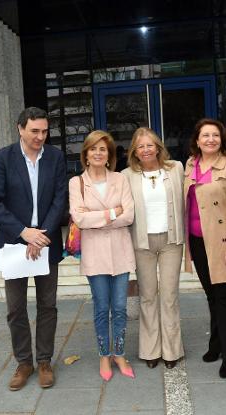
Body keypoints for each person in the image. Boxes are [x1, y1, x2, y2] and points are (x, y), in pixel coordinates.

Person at [0, 107, 67, 391]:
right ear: (20, 128)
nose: (40, 137)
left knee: (48, 306)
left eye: (44, 131)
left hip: (45, 242)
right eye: (34, 131)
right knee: (15, 309)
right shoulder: (3, 158)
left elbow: (60, 198)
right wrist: (24, 232)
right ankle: (24, 363)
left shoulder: (54, 157)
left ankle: (44, 362)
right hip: (13, 244)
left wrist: (40, 235)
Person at [69, 130, 136, 381]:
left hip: (120, 251)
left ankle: (119, 353)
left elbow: (129, 215)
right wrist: (111, 214)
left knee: (119, 307)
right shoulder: (77, 183)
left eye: (103, 149)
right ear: (85, 154)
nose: (98, 153)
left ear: (109, 155)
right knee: (101, 308)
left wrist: (96, 216)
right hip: (95, 255)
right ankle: (103, 355)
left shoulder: (120, 179)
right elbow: (80, 219)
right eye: (93, 149)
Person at [183, 118, 226, 378]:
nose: (210, 139)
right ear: (197, 140)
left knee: (225, 299)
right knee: (211, 296)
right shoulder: (190, 164)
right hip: (197, 241)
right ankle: (216, 345)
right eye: (205, 135)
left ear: (222, 139)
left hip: (222, 243)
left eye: (215, 135)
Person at [122, 127, 185, 370]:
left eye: (150, 145)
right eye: (141, 146)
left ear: (158, 147)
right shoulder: (126, 175)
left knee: (169, 296)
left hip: (171, 241)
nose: (146, 150)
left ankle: (171, 349)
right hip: (142, 242)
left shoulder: (175, 168)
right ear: (135, 152)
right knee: (148, 296)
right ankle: (150, 349)